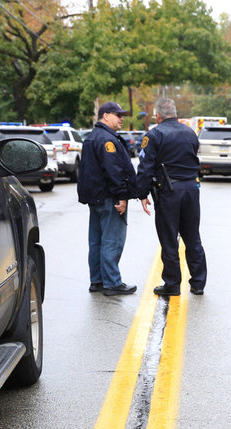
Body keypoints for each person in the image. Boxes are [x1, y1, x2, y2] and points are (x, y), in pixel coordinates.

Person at [136, 98, 207, 296]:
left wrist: (141, 193)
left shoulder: (155, 134)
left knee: (169, 239)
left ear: (158, 116)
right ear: (175, 113)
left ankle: (172, 284)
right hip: (192, 189)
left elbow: (145, 167)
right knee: (192, 236)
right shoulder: (190, 133)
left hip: (169, 191)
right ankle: (199, 283)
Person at [77, 101, 137, 296]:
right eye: (118, 115)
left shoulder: (92, 137)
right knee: (112, 240)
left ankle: (97, 280)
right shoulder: (107, 140)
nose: (122, 118)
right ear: (105, 116)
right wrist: (121, 196)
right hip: (109, 197)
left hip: (95, 198)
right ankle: (112, 282)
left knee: (96, 241)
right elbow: (114, 171)